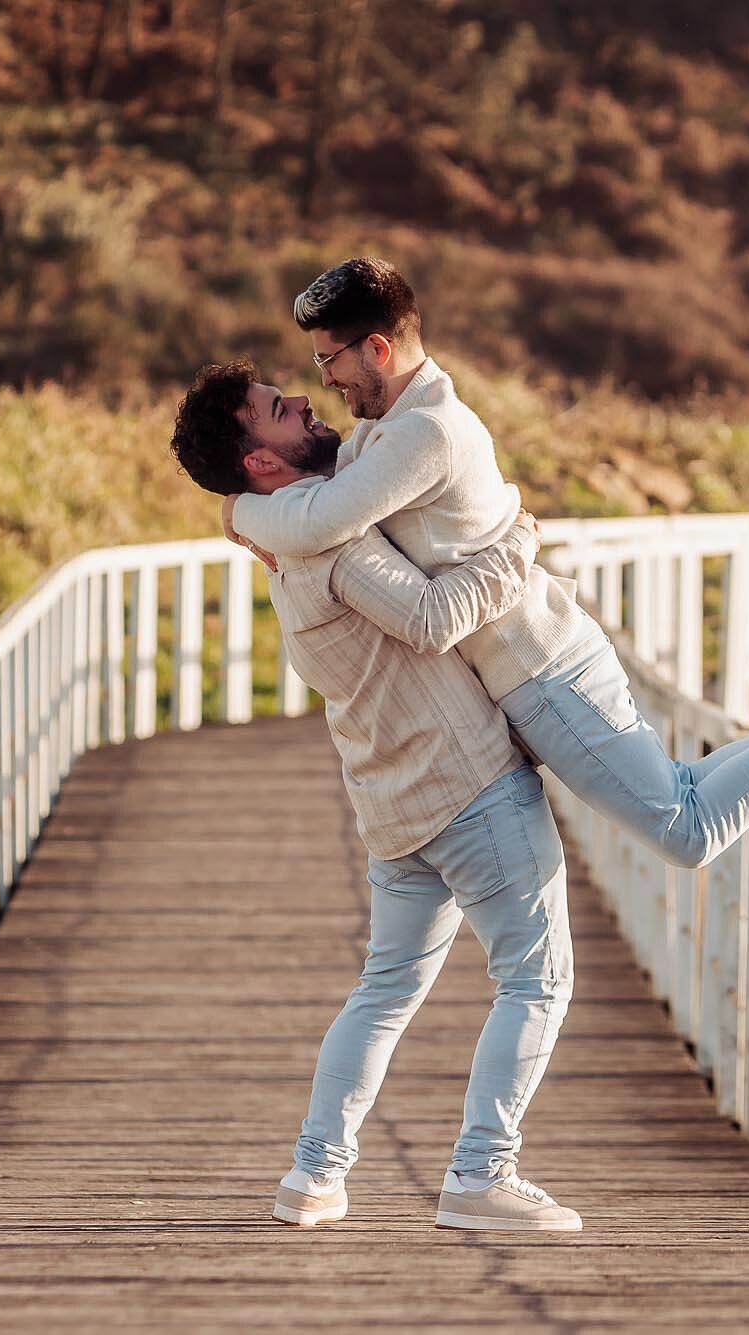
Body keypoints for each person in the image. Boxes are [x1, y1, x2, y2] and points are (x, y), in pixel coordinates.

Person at [217, 257, 749, 878]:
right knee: (682, 801)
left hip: (542, 670)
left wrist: (238, 511)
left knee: (686, 830)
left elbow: (318, 518)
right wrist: (237, 512)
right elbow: (317, 507)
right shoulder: (385, 433)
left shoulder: (425, 434)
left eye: (329, 360)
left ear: (377, 348)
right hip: (537, 666)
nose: (324, 380)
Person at [169, 360, 585, 1232]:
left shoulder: (286, 540)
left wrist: (242, 512)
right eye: (278, 411)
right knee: (538, 979)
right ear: (262, 463)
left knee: (385, 991)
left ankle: (314, 1174)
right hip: (466, 784)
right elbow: (435, 619)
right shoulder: (334, 546)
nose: (301, 403)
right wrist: (518, 541)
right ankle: (481, 1174)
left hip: (393, 809)